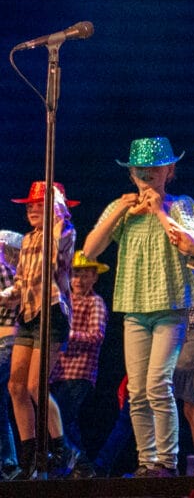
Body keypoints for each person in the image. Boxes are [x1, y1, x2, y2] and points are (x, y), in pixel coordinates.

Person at [81, 137, 194, 478]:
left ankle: (166, 461)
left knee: (158, 384)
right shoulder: (121, 208)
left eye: (154, 170)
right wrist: (119, 212)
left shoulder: (181, 205)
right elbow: (90, 251)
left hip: (171, 306)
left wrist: (159, 211)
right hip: (135, 307)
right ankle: (146, 460)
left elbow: (192, 246)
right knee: (136, 390)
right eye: (140, 172)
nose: (147, 177)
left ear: (169, 171)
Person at [5, 181, 78, 478]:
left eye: (40, 205)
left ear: (55, 208)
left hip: (52, 312)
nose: (33, 209)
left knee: (36, 385)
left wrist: (58, 221)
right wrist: (10, 293)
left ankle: (62, 447)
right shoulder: (27, 240)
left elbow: (55, 256)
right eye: (30, 205)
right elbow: (23, 279)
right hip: (30, 312)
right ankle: (29, 457)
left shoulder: (64, 233)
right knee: (16, 386)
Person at [49, 251, 108, 477]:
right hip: (58, 372)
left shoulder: (95, 302)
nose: (78, 280)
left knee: (61, 418)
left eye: (84, 275)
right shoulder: (63, 301)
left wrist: (66, 334)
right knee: (66, 421)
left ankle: (81, 463)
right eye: (74, 275)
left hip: (80, 372)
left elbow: (96, 336)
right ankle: (77, 469)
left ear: (94, 277)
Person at [0, 231, 22, 479]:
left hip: (6, 342)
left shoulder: (5, 270)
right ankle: (9, 463)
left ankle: (8, 462)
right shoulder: (15, 273)